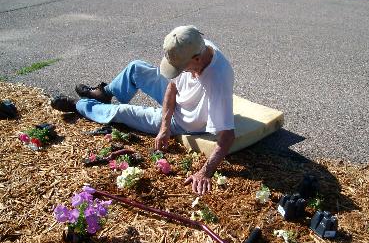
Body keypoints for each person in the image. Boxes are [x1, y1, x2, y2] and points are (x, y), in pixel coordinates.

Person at [51, 25, 235, 195]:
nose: (177, 71)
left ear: (196, 59)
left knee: (123, 112)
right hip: (178, 107)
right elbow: (172, 87)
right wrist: (164, 126)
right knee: (135, 68)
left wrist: (205, 172)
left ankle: (79, 106)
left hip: (184, 121)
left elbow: (227, 136)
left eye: (179, 68)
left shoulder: (217, 80)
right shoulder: (195, 46)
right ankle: (104, 93)